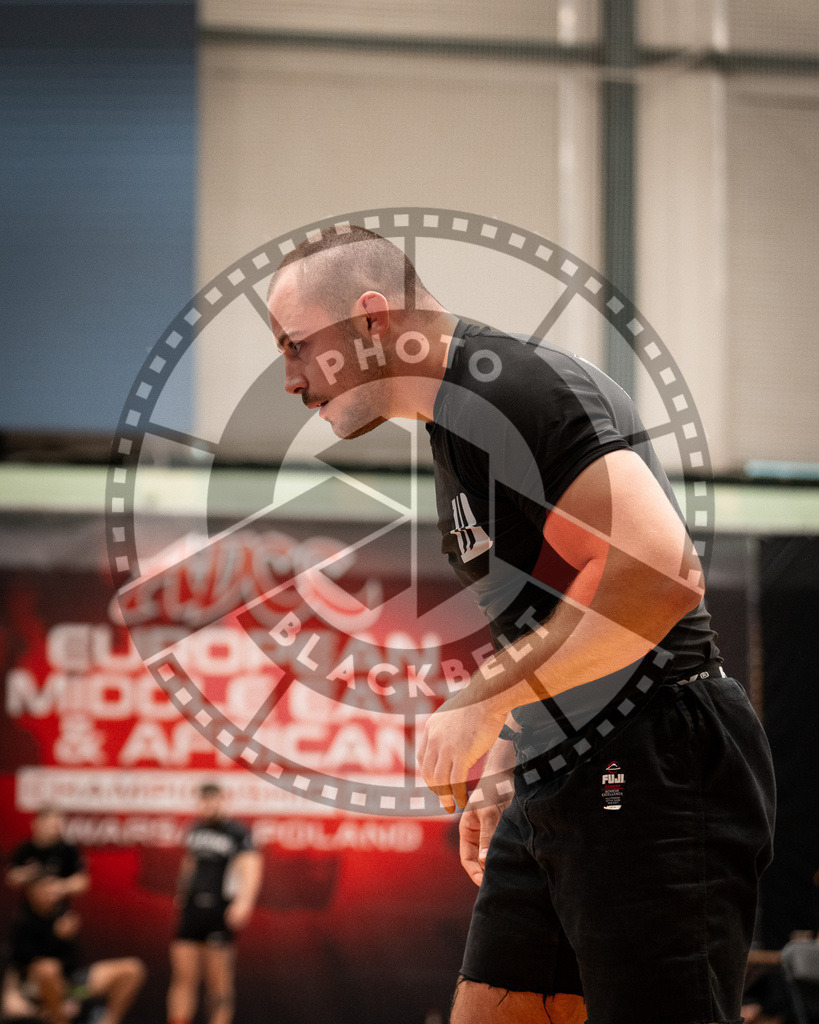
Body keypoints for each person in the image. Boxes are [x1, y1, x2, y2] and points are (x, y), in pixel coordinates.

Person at [268, 224, 777, 1024]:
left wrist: (480, 700)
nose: (291, 379)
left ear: (369, 320)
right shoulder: (454, 421)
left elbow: (660, 582)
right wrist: (514, 738)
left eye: (296, 347)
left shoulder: (514, 385)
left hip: (653, 758)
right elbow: (562, 603)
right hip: (565, 752)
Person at [4, 808, 145, 1024]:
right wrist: (11, 995)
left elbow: (82, 881)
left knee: (132, 969)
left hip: (72, 989)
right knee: (48, 970)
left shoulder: (66, 916)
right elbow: (16, 964)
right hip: (35, 992)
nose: (51, 892)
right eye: (45, 887)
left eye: (55, 886)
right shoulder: (23, 920)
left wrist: (63, 932)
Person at [167, 782, 262, 1024]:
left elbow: (251, 867)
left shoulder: (238, 833)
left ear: (223, 800)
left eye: (213, 800)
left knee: (218, 979)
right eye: (204, 801)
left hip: (219, 909)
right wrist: (182, 890)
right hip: (192, 909)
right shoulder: (194, 830)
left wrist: (244, 902)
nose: (209, 805)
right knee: (183, 975)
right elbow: (189, 862)